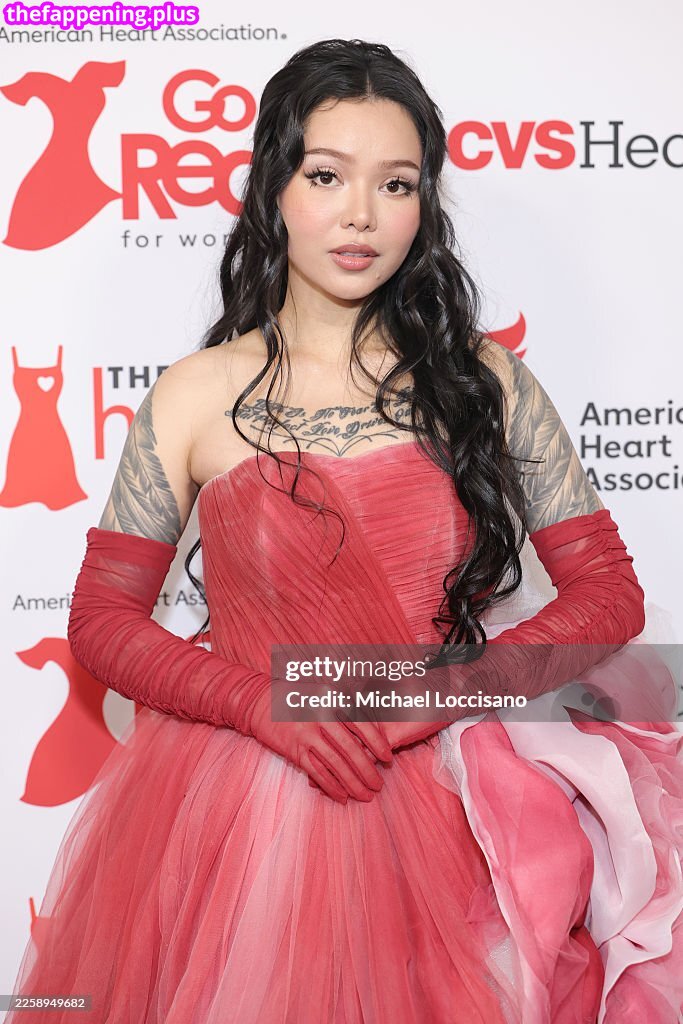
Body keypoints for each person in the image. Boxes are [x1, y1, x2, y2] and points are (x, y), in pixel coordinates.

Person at [7, 38, 683, 1024]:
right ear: (273, 186)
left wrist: (434, 697)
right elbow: (103, 620)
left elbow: (607, 594)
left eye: (394, 183)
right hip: (248, 804)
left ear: (424, 205)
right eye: (326, 175)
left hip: (457, 794)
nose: (360, 213)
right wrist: (256, 703)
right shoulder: (195, 394)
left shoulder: (486, 381)